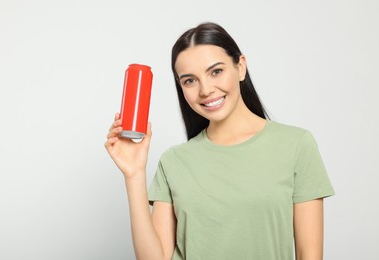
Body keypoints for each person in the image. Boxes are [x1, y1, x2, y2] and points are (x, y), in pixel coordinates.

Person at [105, 22, 334, 260]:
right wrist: (134, 175)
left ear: (241, 67)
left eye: (216, 71)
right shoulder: (174, 161)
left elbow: (309, 254)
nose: (205, 90)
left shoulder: (296, 145)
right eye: (190, 80)